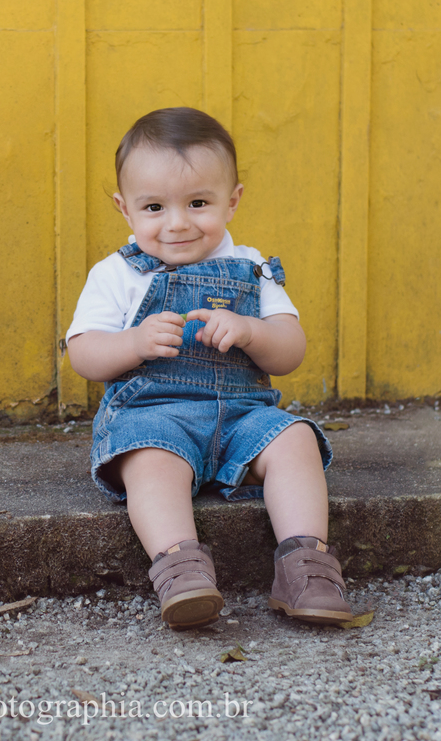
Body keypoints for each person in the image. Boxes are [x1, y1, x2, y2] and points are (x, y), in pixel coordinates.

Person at [65, 107, 353, 630]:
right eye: (153, 206)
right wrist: (132, 342)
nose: (177, 222)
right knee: (149, 459)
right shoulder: (116, 275)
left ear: (233, 200)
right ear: (124, 209)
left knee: (295, 440)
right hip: (155, 415)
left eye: (198, 203)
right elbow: (82, 351)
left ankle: (306, 566)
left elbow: (290, 351)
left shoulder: (253, 268)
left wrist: (252, 331)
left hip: (244, 417)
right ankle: (181, 570)